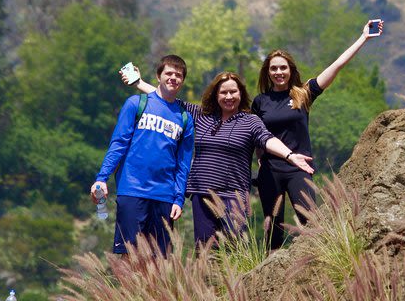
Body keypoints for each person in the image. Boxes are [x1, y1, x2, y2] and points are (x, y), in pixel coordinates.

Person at [126, 70, 314, 246]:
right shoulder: (201, 116)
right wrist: (138, 82)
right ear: (215, 95)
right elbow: (168, 101)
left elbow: (267, 139)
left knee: (233, 250)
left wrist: (289, 155)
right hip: (202, 195)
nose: (229, 97)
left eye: (234, 92)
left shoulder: (249, 121)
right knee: (205, 252)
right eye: (224, 92)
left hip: (234, 197)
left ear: (241, 94)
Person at [253, 19, 384, 249]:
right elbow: (255, 134)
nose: (278, 72)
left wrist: (363, 38)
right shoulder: (260, 102)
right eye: (273, 68)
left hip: (299, 169)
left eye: (283, 67)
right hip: (270, 172)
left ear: (291, 70)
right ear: (267, 72)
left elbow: (336, 66)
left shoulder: (303, 94)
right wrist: (260, 158)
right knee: (272, 231)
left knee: (312, 225)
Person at [92, 54, 195, 256]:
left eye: (179, 75)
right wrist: (102, 178)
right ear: (158, 76)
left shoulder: (185, 118)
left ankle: (150, 291)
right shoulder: (136, 104)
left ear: (182, 80)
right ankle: (127, 290)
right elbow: (118, 144)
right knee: (128, 255)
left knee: (158, 260)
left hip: (164, 196)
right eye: (169, 73)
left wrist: (178, 199)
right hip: (132, 190)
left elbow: (183, 164)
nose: (174, 78)